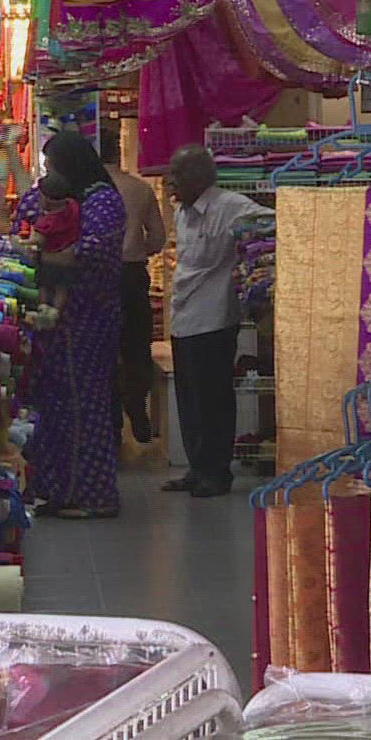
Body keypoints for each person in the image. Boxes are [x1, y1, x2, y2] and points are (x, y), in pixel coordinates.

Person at [14, 131, 126, 519]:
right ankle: (55, 490)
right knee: (51, 404)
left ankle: (93, 495)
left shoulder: (102, 200)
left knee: (84, 403)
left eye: (54, 166)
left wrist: (44, 254)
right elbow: (24, 222)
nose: (49, 174)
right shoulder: (55, 195)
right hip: (52, 322)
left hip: (88, 318)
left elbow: (94, 253)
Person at [164, 144, 269, 498]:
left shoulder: (231, 207)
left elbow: (272, 222)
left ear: (199, 177)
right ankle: (197, 468)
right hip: (184, 315)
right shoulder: (182, 213)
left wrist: (246, 269)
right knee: (190, 398)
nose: (170, 181)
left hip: (214, 318)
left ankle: (216, 472)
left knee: (213, 399)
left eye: (177, 174)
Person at [103, 131, 164, 444]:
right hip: (132, 273)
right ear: (118, 151)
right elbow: (158, 237)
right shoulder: (139, 188)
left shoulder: (89, 192)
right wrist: (140, 249)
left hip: (99, 276)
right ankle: (138, 409)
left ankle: (111, 420)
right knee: (136, 345)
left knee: (103, 349)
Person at [27, 169, 82, 320]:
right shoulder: (73, 206)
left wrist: (22, 242)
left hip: (49, 260)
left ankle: (43, 308)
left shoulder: (47, 223)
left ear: (46, 200)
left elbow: (39, 240)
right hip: (69, 260)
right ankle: (57, 310)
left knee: (44, 285)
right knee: (62, 287)